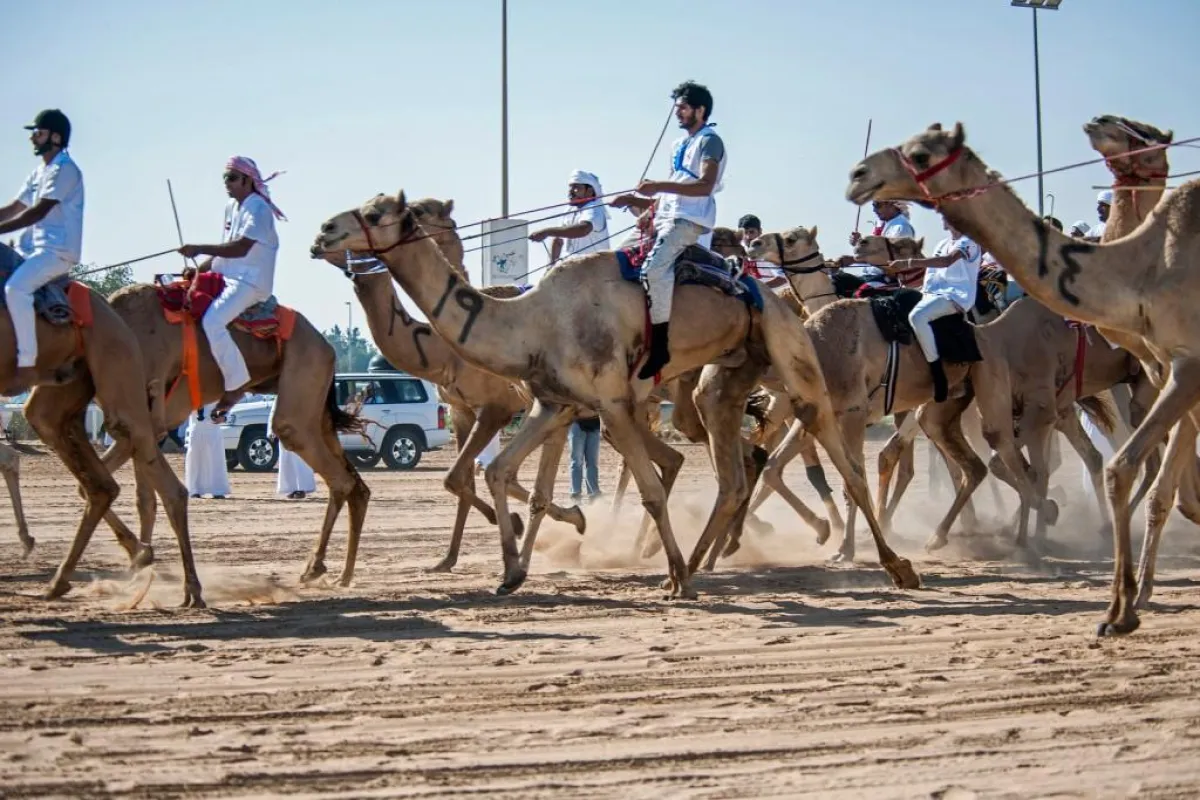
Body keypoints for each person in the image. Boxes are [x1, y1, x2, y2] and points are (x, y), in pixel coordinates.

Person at [611, 80, 726, 379]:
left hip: (691, 222)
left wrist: (657, 186)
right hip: (665, 219)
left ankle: (660, 346)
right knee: (616, 259)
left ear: (700, 110)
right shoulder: (678, 145)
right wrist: (638, 203)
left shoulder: (710, 140)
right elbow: (672, 195)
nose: (678, 113)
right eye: (677, 108)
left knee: (652, 270)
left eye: (684, 107)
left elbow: (704, 186)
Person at [178, 156, 285, 420]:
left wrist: (199, 247)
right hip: (227, 275)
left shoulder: (259, 209)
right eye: (225, 178)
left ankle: (236, 385)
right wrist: (199, 270)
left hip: (251, 282)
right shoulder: (231, 207)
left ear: (248, 181)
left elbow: (240, 248)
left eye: (232, 178)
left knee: (213, 321)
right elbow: (224, 253)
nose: (227, 183)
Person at [0, 109, 84, 393]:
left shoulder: (65, 170)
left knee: (16, 290)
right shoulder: (39, 172)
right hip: (30, 250)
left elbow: (37, 212)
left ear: (55, 137)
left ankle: (26, 366)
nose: (33, 138)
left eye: (38, 132)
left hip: (57, 253)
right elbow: (14, 208)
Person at [888, 220, 983, 403]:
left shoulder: (969, 241)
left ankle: (938, 373)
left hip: (955, 296)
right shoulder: (942, 244)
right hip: (932, 294)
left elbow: (946, 261)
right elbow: (932, 275)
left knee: (917, 316)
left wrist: (908, 262)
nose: (943, 218)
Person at [529, 170, 610, 262]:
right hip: (574, 268)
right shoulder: (569, 211)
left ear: (590, 191)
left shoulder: (594, 208)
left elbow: (583, 229)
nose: (570, 191)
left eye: (576, 187)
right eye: (570, 187)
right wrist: (551, 265)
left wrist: (546, 232)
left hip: (595, 269)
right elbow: (558, 241)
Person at [268, 397, 315, 499]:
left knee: (300, 460)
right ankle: (291, 488)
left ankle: (302, 488)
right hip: (284, 430)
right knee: (287, 461)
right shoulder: (281, 394)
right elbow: (274, 411)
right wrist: (271, 429)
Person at [185, 403, 230, 499]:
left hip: (214, 430)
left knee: (216, 460)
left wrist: (224, 418)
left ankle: (218, 490)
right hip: (196, 429)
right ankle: (194, 489)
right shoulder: (194, 390)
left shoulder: (218, 391)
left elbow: (228, 406)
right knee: (195, 461)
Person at [736, 213, 787, 291]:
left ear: (760, 231)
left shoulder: (769, 251)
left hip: (778, 297)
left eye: (751, 232)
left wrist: (756, 289)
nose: (748, 237)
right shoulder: (739, 252)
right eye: (745, 233)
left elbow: (783, 278)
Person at [568, 414, 602, 503]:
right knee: (577, 461)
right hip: (576, 423)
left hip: (595, 425)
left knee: (592, 462)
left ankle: (594, 494)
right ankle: (575, 494)